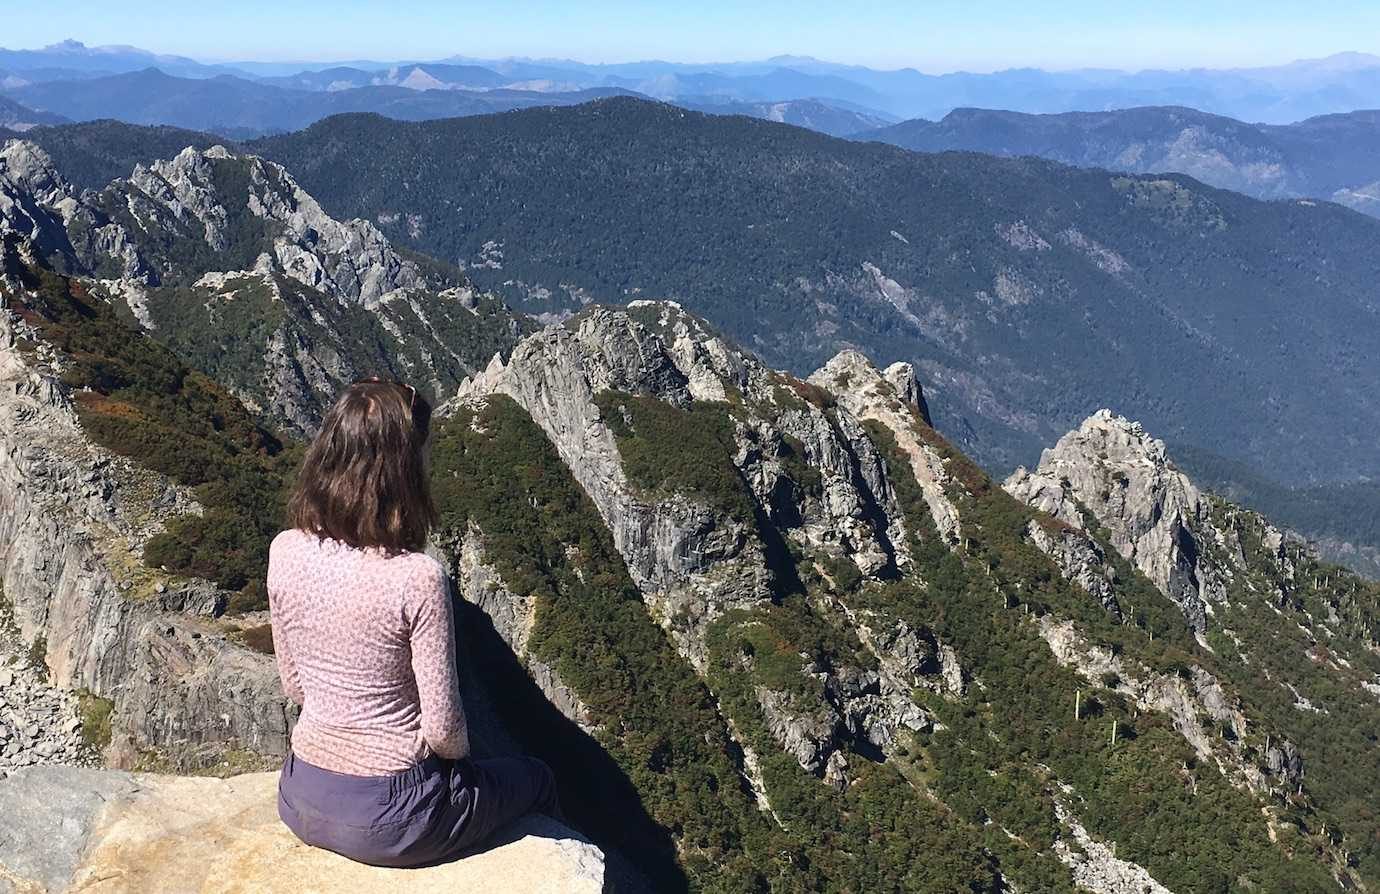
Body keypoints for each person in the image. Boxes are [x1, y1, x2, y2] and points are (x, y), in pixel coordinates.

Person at [268, 377, 561, 868]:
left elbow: (296, 689)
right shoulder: (415, 577)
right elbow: (444, 731)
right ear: (403, 470)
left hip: (300, 795)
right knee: (535, 778)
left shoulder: (285, 549)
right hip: (394, 816)